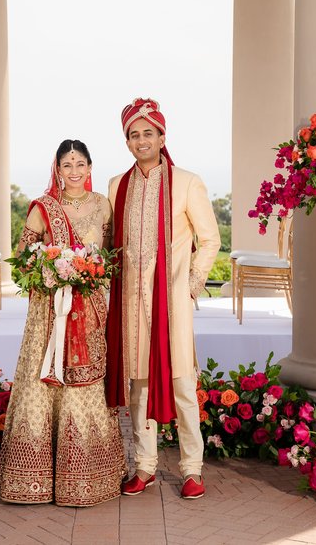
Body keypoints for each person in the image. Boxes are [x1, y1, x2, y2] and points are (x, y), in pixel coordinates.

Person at [0, 139, 126, 507]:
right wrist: (53, 273)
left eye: (80, 164)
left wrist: (89, 273)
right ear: (57, 168)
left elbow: (113, 253)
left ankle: (89, 475)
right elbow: (22, 260)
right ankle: (33, 479)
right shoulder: (43, 209)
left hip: (91, 307)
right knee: (45, 380)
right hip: (50, 310)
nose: (73, 172)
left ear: (90, 167)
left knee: (86, 382)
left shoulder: (103, 205)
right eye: (66, 165)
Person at [105, 98, 220, 500]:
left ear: (162, 137)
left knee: (182, 384)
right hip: (131, 302)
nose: (141, 140)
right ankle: (145, 466)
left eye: (147, 133)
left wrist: (189, 285)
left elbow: (210, 240)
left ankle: (192, 469)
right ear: (127, 141)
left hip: (171, 303)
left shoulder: (187, 182)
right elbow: (111, 245)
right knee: (138, 387)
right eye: (133, 135)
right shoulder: (117, 185)